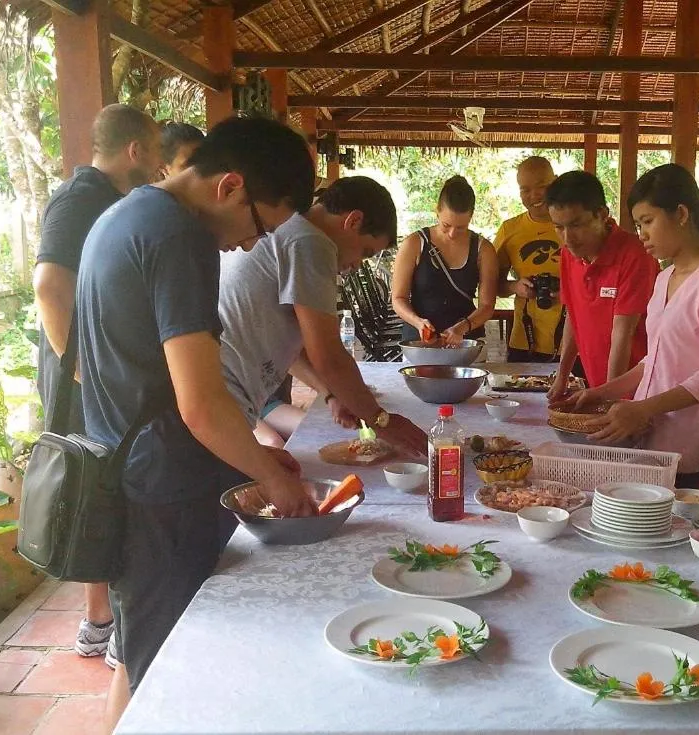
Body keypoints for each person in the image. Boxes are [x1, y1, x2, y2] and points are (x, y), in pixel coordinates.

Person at [75, 117, 318, 733]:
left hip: (127, 471)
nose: (248, 245)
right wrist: (271, 475)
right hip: (161, 487)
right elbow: (200, 403)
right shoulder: (180, 237)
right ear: (229, 186)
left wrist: (254, 459)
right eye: (259, 226)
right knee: (170, 669)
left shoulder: (126, 215)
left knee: (141, 652)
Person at [32, 103, 161, 667]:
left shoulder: (109, 201)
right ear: (134, 150)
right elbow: (47, 285)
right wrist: (82, 368)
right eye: (155, 152)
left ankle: (103, 619)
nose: (158, 166)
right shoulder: (80, 197)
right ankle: (99, 624)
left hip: (97, 373)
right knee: (95, 491)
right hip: (83, 379)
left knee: (106, 488)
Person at [552, 163, 699, 489]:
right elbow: (652, 362)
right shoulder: (665, 278)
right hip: (648, 432)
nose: (642, 234)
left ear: (681, 214)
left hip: (686, 433)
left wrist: (643, 409)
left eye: (648, 221)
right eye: (638, 224)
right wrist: (599, 393)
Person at [219, 175, 427, 456]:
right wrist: (382, 421)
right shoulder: (310, 241)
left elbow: (288, 350)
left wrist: (331, 393)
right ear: (353, 221)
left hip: (220, 396)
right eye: (364, 252)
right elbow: (328, 355)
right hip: (222, 400)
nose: (355, 266)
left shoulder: (291, 228)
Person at [545, 171, 659, 401]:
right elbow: (573, 317)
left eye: (576, 225)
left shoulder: (634, 254)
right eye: (558, 227)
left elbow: (623, 333)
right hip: (599, 385)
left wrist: (607, 398)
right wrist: (562, 377)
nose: (567, 237)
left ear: (602, 214)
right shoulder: (569, 254)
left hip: (641, 393)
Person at [391, 175, 497, 346]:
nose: (452, 234)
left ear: (471, 217)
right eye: (446, 225)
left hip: (466, 341)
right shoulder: (414, 244)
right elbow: (398, 298)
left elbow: (486, 306)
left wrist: (461, 328)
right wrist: (419, 322)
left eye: (461, 228)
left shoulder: (483, 249)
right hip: (420, 341)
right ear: (437, 211)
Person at [494, 156, 564, 362]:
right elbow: (491, 285)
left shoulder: (575, 225)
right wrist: (516, 287)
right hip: (524, 339)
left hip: (573, 339)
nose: (534, 195)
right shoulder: (510, 230)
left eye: (542, 186)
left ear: (556, 182)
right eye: (525, 189)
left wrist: (569, 292)